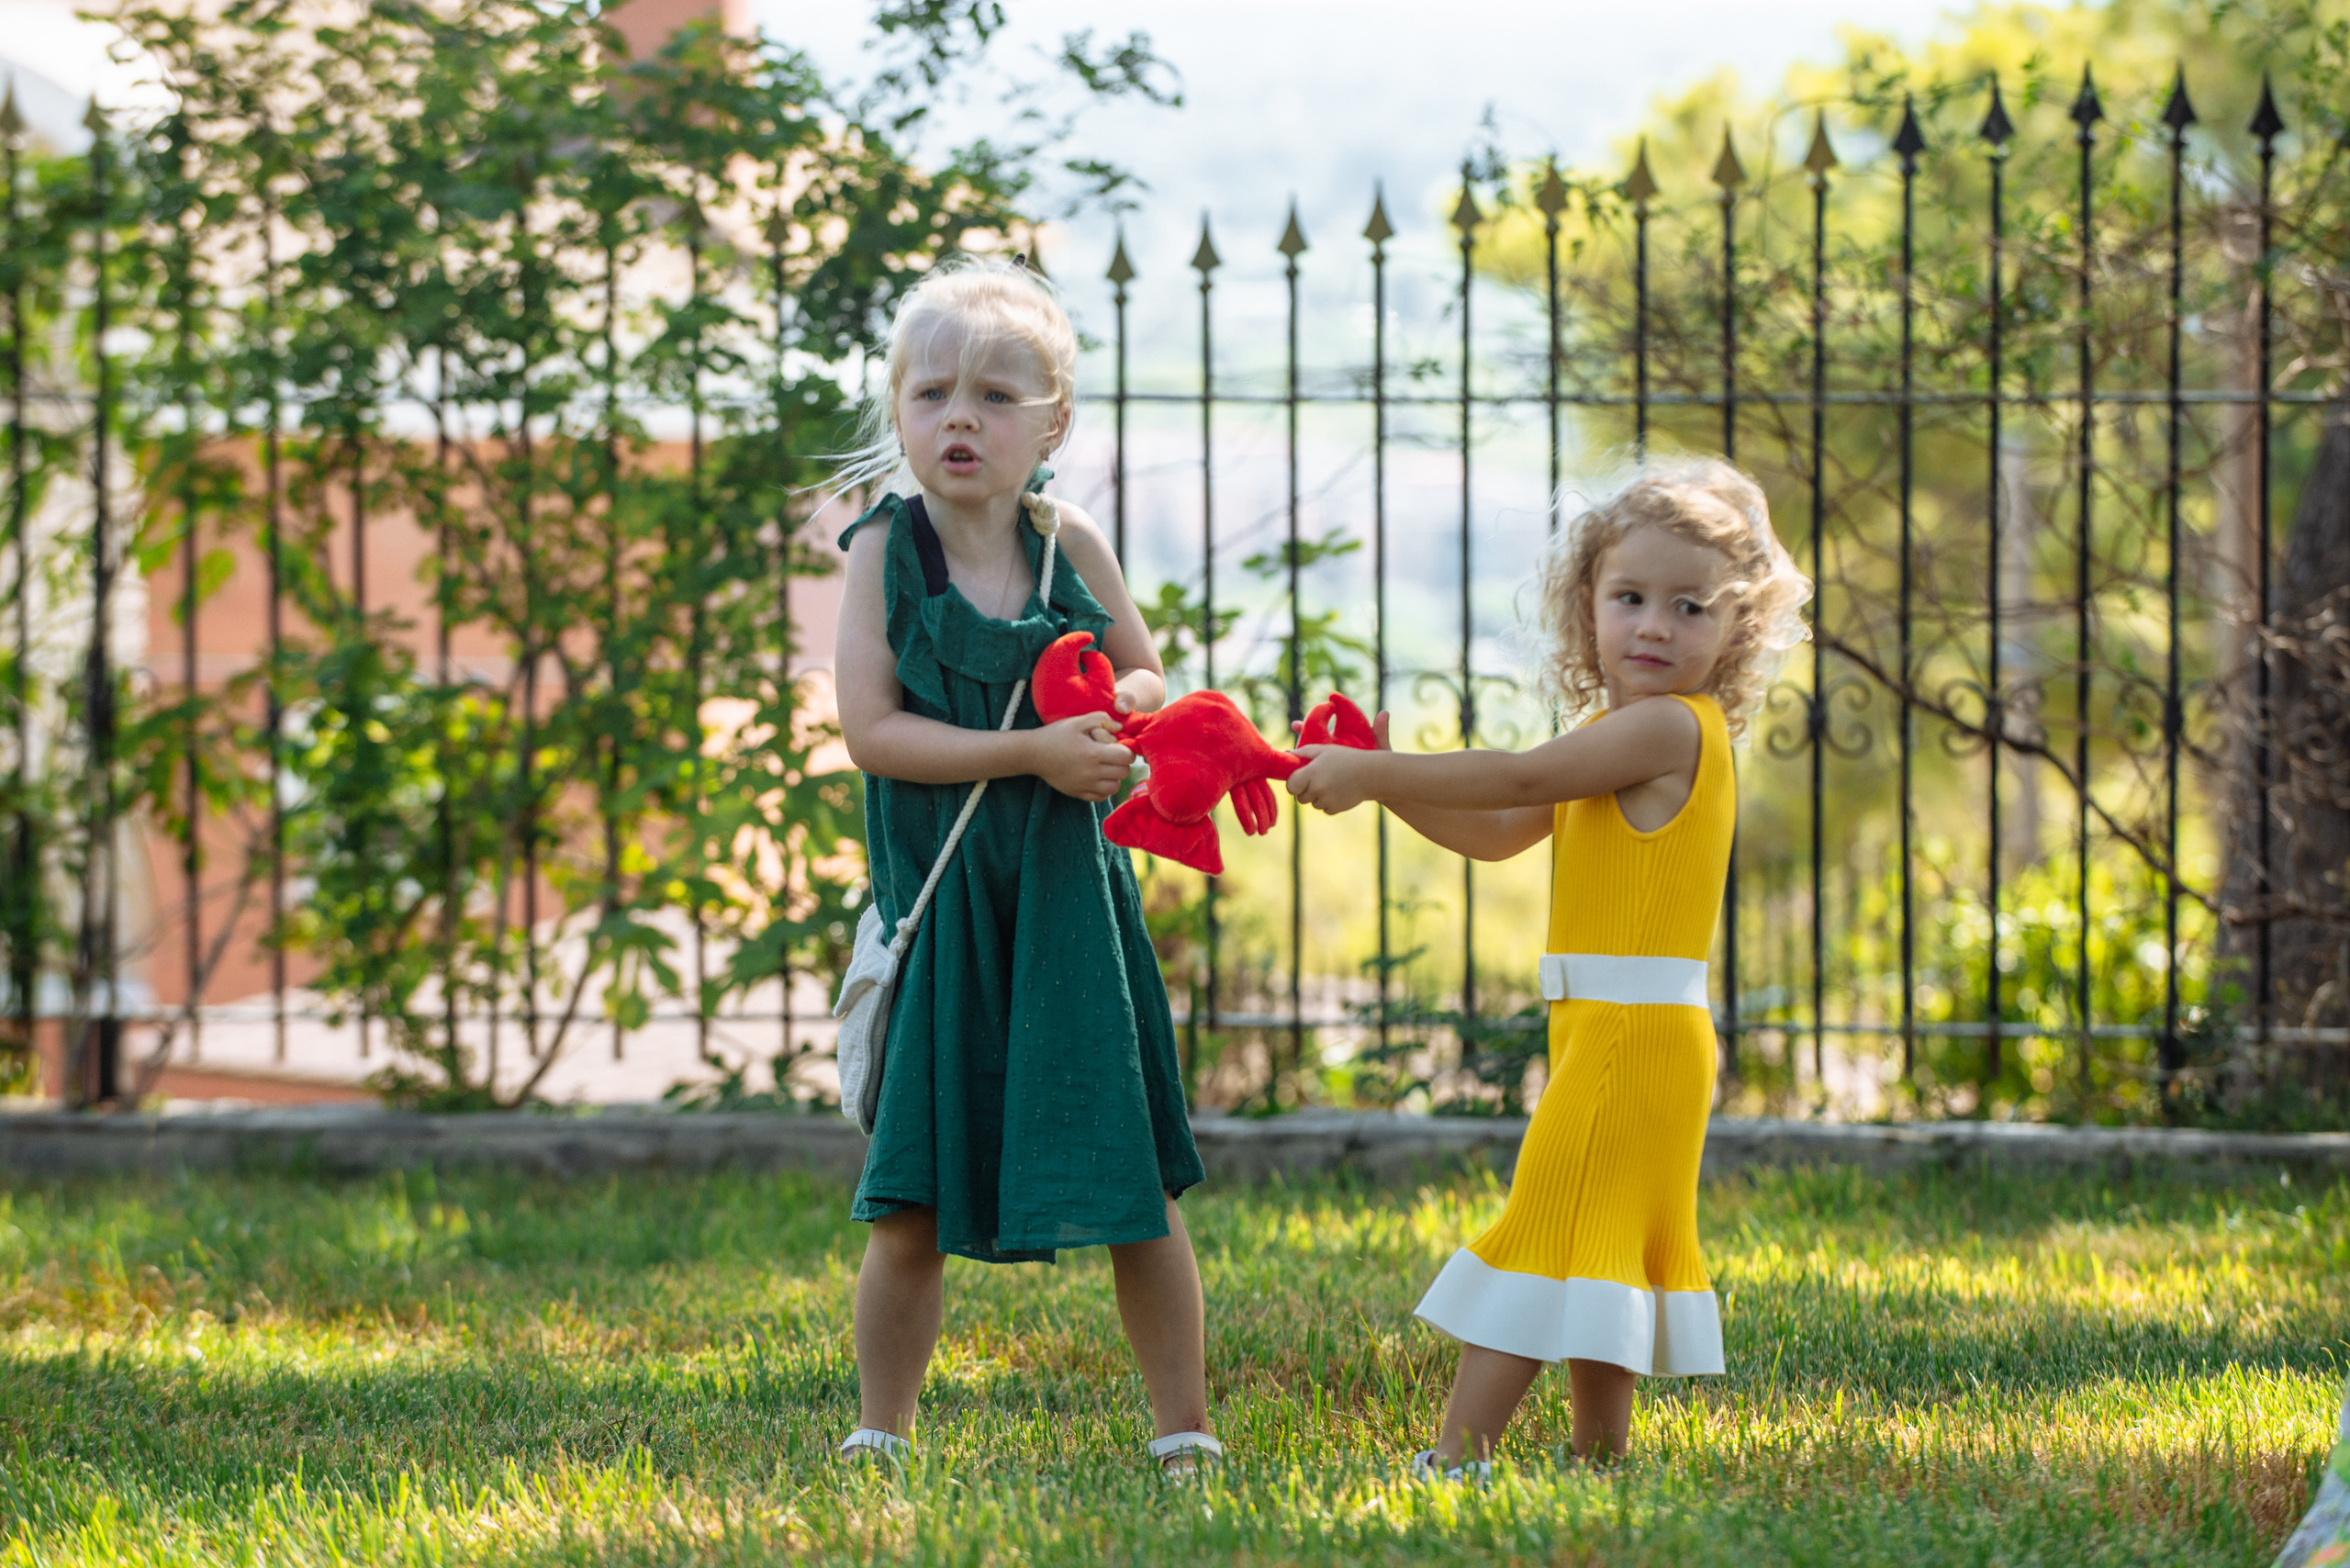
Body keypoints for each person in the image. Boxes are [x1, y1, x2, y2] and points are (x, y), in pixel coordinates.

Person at [1286, 455, 1809, 1475]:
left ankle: (1457, 1459)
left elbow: (1518, 777)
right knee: (1597, 1243)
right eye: (1629, 598)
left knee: (1544, 1227)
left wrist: (1377, 768)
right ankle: (1597, 1456)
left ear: (1737, 631)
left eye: (1690, 607)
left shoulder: (1665, 728)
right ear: (1587, 605)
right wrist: (1389, 788)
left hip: (1626, 1037)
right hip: (1626, 1035)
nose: (1654, 626)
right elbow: (1500, 832)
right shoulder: (1620, 733)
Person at [827, 256, 1218, 1477]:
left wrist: (1116, 708)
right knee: (910, 1202)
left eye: (995, 397)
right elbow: (873, 732)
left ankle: (1184, 1430)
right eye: (932, 393)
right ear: (899, 413)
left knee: (1136, 1187)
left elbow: (1144, 671)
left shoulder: (1067, 544)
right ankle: (880, 1432)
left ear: (1053, 424)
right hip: (948, 915)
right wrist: (1031, 751)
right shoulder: (884, 550)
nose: (960, 418)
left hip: (1069, 917)